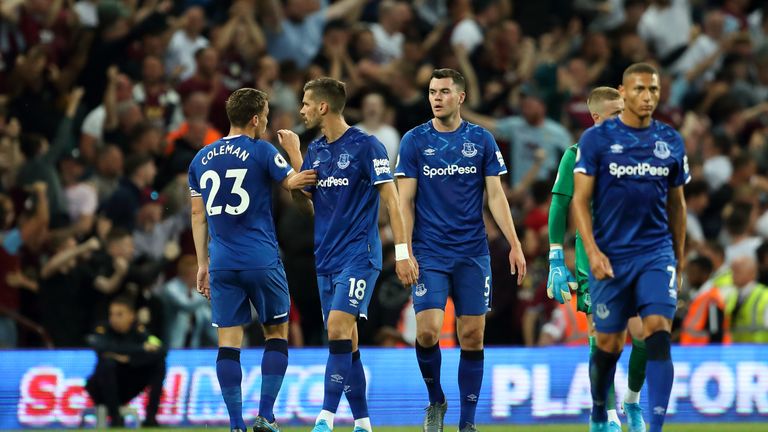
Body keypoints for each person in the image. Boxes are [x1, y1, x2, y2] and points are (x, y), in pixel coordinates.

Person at [395, 68, 526, 432]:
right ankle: (436, 399)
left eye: (444, 92)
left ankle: (467, 423)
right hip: (430, 251)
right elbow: (403, 201)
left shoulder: (482, 140)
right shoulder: (414, 140)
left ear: (461, 97)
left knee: (472, 335)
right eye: (432, 92)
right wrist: (403, 251)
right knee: (427, 332)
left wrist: (514, 244)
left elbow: (496, 196)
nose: (436, 98)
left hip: (472, 252)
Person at [188, 88, 317, 432]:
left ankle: (235, 424)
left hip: (221, 262)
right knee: (276, 332)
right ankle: (265, 415)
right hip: (261, 259)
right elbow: (297, 184)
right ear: (257, 119)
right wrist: (293, 151)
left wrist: (202, 264)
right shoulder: (261, 149)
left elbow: (197, 216)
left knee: (229, 343)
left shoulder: (200, 159)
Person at [293, 77, 418, 432]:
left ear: (323, 107)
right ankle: (363, 422)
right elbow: (311, 209)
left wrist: (403, 252)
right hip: (325, 257)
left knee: (336, 327)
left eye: (306, 102)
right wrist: (294, 176)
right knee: (347, 340)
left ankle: (325, 418)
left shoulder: (367, 146)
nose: (301, 109)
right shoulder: (315, 150)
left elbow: (392, 199)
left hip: (359, 254)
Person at [571, 63, 689, 432]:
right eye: (640, 89)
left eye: (653, 90)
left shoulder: (670, 140)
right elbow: (578, 201)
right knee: (608, 343)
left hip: (655, 253)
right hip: (610, 256)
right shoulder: (595, 141)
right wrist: (590, 252)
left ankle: (653, 426)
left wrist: (679, 262)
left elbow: (678, 205)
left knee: (656, 330)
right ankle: (597, 411)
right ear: (623, 93)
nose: (648, 97)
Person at [547, 86, 648, 432]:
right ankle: (602, 413)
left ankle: (632, 402)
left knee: (644, 335)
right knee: (602, 335)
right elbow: (560, 205)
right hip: (595, 258)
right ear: (596, 118)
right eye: (617, 112)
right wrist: (555, 257)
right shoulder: (575, 155)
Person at [84, 296, 167, 428]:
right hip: (101, 390)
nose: (114, 318)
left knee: (159, 363)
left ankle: (151, 419)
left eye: (119, 314)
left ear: (131, 316)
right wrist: (140, 349)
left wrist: (129, 358)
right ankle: (115, 419)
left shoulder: (140, 331)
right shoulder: (102, 329)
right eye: (111, 314)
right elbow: (101, 347)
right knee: (108, 363)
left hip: (127, 385)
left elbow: (161, 349)